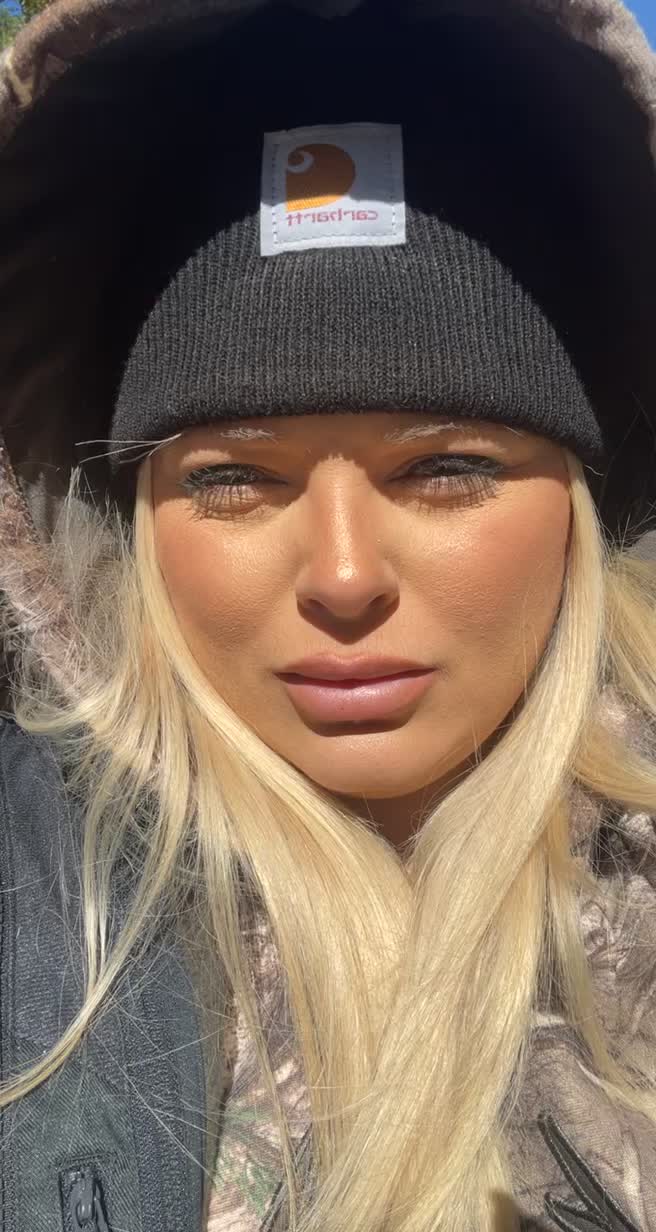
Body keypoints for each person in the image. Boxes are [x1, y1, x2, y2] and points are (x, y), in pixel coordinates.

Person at [1, 1, 656, 1229]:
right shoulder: (32, 897)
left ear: (580, 504)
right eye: (231, 478)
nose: (344, 574)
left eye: (444, 466)